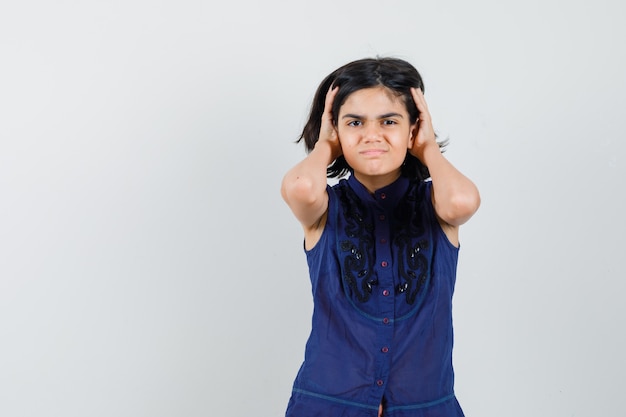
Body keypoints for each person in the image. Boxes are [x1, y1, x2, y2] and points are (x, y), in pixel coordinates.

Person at [280, 57, 480, 417]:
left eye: (389, 121)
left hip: (425, 408)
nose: (372, 135)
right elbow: (302, 189)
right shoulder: (326, 208)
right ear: (336, 130)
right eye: (354, 122)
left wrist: (429, 148)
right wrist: (325, 145)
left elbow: (464, 202)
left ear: (413, 128)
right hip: (328, 406)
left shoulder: (436, 204)